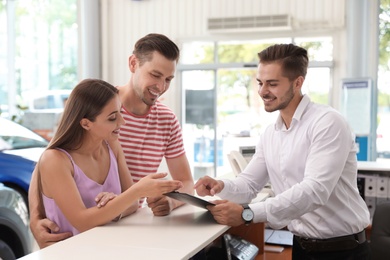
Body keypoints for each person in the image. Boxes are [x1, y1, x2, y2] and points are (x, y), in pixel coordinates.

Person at [194, 44, 371, 259]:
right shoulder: (271, 134)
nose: (262, 91)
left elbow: (315, 191)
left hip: (342, 250)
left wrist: (248, 214)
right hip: (301, 246)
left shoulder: (327, 122)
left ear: (298, 83)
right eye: (260, 83)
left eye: (272, 84)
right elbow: (249, 184)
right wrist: (220, 186)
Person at [29, 33, 194, 248]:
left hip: (117, 231)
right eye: (155, 75)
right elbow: (49, 161)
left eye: (168, 79)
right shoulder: (98, 104)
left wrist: (170, 202)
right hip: (74, 237)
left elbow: (187, 183)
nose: (161, 87)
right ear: (133, 63)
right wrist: (34, 218)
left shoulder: (166, 120)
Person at [30, 78, 182, 239]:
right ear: (86, 124)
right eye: (112, 118)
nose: (122, 122)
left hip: (106, 249)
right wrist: (136, 191)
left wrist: (114, 205)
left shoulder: (112, 146)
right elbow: (82, 221)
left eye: (120, 113)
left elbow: (131, 205)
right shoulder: (55, 159)